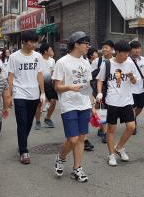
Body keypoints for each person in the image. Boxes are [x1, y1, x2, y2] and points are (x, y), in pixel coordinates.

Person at [53, 31, 95, 183]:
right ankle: (61, 157)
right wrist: (70, 87)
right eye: (86, 43)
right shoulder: (62, 62)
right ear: (76, 44)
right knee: (72, 139)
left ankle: (77, 168)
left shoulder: (85, 62)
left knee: (82, 138)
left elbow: (88, 85)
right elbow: (57, 86)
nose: (88, 46)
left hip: (84, 104)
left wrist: (92, 103)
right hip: (69, 103)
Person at [96, 40, 139, 166]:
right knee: (111, 129)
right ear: (117, 52)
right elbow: (100, 80)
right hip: (112, 101)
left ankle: (119, 147)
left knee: (131, 127)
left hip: (127, 101)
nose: (126, 56)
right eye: (123, 53)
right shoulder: (107, 63)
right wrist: (99, 92)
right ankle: (111, 155)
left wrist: (131, 77)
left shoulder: (130, 63)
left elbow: (135, 82)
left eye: (127, 53)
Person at [7, 30, 46, 164]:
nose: (35, 44)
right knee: (22, 122)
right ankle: (24, 151)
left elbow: (39, 75)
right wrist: (9, 95)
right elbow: (10, 76)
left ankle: (22, 141)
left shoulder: (38, 56)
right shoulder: (14, 57)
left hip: (34, 94)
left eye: (36, 41)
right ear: (24, 42)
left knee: (29, 122)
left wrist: (42, 92)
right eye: (32, 41)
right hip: (19, 93)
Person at [91, 40, 114, 144]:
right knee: (102, 109)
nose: (104, 49)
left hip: (111, 88)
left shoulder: (115, 61)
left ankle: (102, 128)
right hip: (99, 88)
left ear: (112, 49)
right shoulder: (97, 61)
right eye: (103, 47)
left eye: (107, 47)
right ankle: (105, 132)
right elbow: (91, 76)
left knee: (106, 109)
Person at [34, 43, 57, 129]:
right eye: (50, 50)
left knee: (53, 101)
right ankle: (37, 121)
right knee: (39, 103)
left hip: (49, 84)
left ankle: (47, 118)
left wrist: (54, 85)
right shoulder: (38, 60)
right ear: (45, 51)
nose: (52, 51)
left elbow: (52, 73)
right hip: (39, 84)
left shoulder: (52, 60)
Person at [129, 41, 144, 135]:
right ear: (130, 49)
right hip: (130, 89)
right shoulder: (127, 60)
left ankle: (132, 118)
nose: (137, 50)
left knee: (140, 107)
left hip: (141, 88)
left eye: (138, 48)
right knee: (132, 107)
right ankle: (133, 124)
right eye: (135, 48)